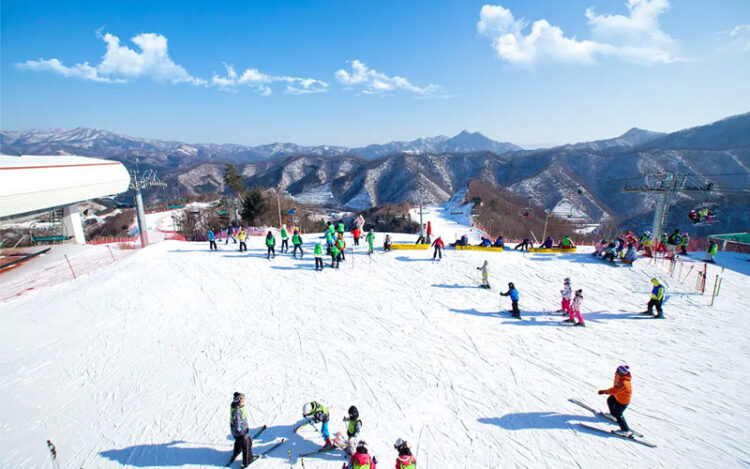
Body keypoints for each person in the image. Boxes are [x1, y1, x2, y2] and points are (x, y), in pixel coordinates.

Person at [597, 365, 633, 436]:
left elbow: (614, 390)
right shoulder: (619, 376)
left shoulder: (624, 383)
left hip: (623, 401)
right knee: (610, 400)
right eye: (617, 370)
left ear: (623, 373)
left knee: (618, 413)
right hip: (617, 396)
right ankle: (613, 416)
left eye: (618, 371)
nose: (616, 372)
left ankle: (626, 430)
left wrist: (604, 392)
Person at [227, 392, 254, 467]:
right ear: (238, 401)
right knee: (247, 443)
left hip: (235, 432)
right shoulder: (237, 411)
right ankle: (247, 460)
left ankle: (237, 451)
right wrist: (243, 431)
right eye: (242, 401)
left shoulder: (235, 407)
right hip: (240, 432)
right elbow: (238, 424)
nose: (243, 402)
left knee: (238, 442)